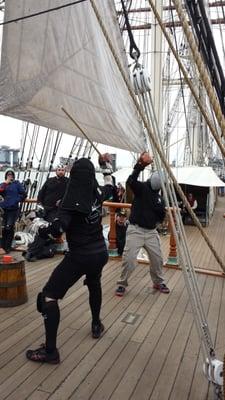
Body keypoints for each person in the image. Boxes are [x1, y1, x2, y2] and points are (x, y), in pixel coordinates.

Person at [26, 157, 109, 364]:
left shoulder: (68, 203)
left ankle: (51, 352)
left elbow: (57, 230)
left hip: (80, 256)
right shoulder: (97, 195)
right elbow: (110, 185)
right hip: (100, 252)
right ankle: (96, 324)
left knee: (48, 297)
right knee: (94, 283)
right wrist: (105, 166)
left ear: (73, 176)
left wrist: (37, 224)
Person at [115, 152, 170, 297]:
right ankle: (122, 283)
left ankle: (158, 282)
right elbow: (130, 180)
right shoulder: (141, 189)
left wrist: (156, 224)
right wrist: (140, 166)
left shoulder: (159, 199)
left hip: (151, 232)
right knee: (129, 260)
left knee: (157, 259)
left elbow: (161, 215)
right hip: (136, 230)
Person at [0, 168, 26, 254]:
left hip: (13, 209)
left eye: (11, 175)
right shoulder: (3, 184)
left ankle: (8, 247)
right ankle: (2, 247)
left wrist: (16, 199)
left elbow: (24, 194)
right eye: (8, 175)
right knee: (3, 229)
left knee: (9, 227)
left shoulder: (17, 184)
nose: (10, 176)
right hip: (4, 209)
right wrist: (5, 183)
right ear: (6, 176)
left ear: (13, 176)